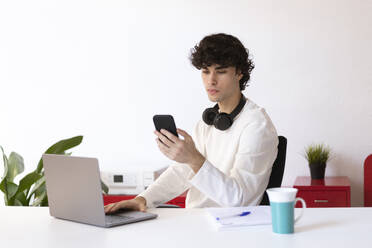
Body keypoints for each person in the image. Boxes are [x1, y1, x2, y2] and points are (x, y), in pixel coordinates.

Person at [104, 33, 278, 214]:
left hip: (231, 228)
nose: (211, 80)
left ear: (239, 73)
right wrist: (143, 199)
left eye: (221, 71)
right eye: (205, 71)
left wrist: (193, 158)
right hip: (196, 220)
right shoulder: (209, 121)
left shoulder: (257, 126)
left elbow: (240, 200)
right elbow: (182, 172)